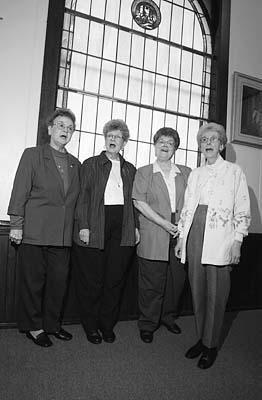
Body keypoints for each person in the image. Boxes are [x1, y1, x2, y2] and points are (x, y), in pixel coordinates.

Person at [175, 122, 251, 369]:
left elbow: (242, 209)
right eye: (203, 140)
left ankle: (211, 344)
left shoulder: (234, 172)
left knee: (217, 293)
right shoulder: (196, 174)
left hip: (220, 235)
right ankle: (201, 338)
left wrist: (237, 242)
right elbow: (187, 208)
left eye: (212, 139)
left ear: (221, 144)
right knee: (197, 289)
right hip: (195, 231)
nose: (207, 143)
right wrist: (181, 239)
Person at [8, 108, 81, 347]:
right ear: (49, 129)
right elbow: (20, 191)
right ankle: (34, 327)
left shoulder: (75, 163)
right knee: (33, 283)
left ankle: (52, 324)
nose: (65, 131)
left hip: (62, 235)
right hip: (35, 232)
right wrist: (16, 225)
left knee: (58, 284)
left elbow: (75, 200)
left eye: (70, 128)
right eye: (61, 125)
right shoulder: (32, 155)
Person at [72, 119, 139, 344]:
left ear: (124, 142)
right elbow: (82, 197)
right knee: (92, 280)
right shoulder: (90, 164)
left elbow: (135, 201)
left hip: (123, 225)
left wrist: (135, 227)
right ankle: (91, 326)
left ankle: (106, 325)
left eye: (117, 137)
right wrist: (83, 225)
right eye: (110, 135)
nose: (113, 139)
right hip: (95, 223)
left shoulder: (130, 169)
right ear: (105, 138)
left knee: (114, 280)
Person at [132, 127, 191, 343]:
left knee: (176, 280)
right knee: (151, 281)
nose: (165, 145)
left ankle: (168, 317)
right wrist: (164, 223)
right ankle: (148, 323)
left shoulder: (186, 172)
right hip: (154, 230)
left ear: (176, 147)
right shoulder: (144, 172)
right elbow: (139, 202)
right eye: (161, 142)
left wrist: (180, 226)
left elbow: (192, 203)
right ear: (154, 145)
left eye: (170, 142)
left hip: (181, 232)